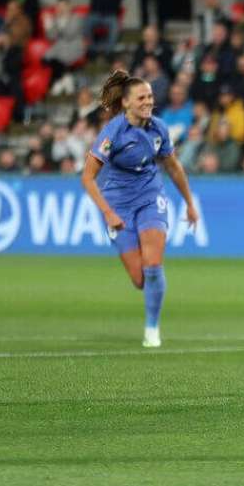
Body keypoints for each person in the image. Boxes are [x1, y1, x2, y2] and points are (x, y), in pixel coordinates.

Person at [81, 69, 199, 348]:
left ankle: (152, 329)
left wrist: (190, 203)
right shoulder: (113, 132)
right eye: (141, 97)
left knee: (154, 264)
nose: (148, 101)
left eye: (150, 96)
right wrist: (108, 212)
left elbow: (173, 167)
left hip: (150, 195)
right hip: (117, 204)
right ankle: (151, 302)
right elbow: (87, 176)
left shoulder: (158, 127)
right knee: (139, 278)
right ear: (126, 102)